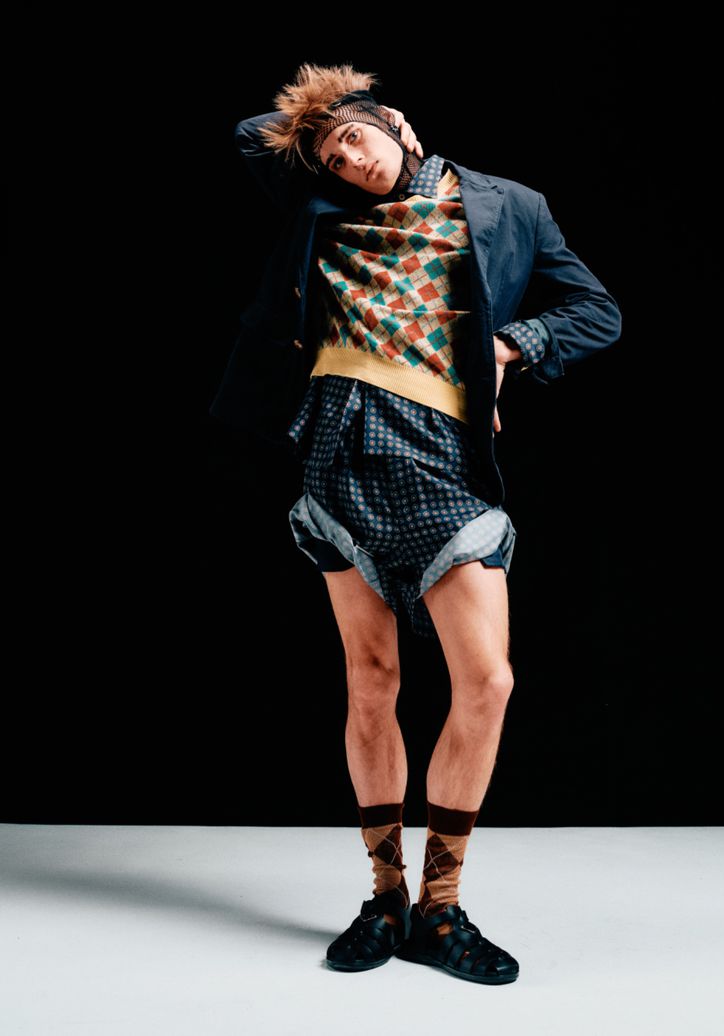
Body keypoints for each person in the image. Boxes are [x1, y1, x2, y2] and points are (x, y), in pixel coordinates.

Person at [210, 62, 622, 984]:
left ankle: (442, 906)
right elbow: (250, 138)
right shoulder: (323, 209)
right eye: (331, 156)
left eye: (357, 139)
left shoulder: (510, 206)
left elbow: (598, 311)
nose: (349, 162)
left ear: (397, 122)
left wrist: (513, 346)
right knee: (371, 681)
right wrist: (319, 119)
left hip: (442, 458)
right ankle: (386, 894)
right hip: (339, 449)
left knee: (488, 682)